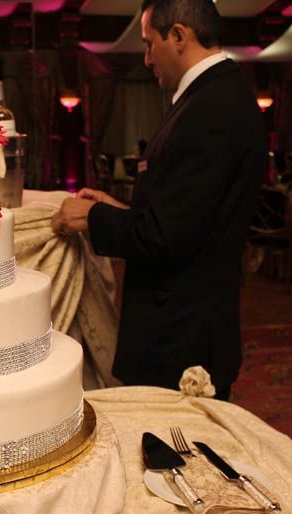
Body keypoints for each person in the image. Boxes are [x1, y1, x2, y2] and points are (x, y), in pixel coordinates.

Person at [51, 0, 265, 400]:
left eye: (150, 44)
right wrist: (118, 211)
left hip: (182, 338)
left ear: (180, 36)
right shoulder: (208, 96)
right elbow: (188, 217)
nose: (147, 58)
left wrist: (93, 217)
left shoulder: (211, 107)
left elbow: (167, 238)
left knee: (177, 459)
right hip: (181, 328)